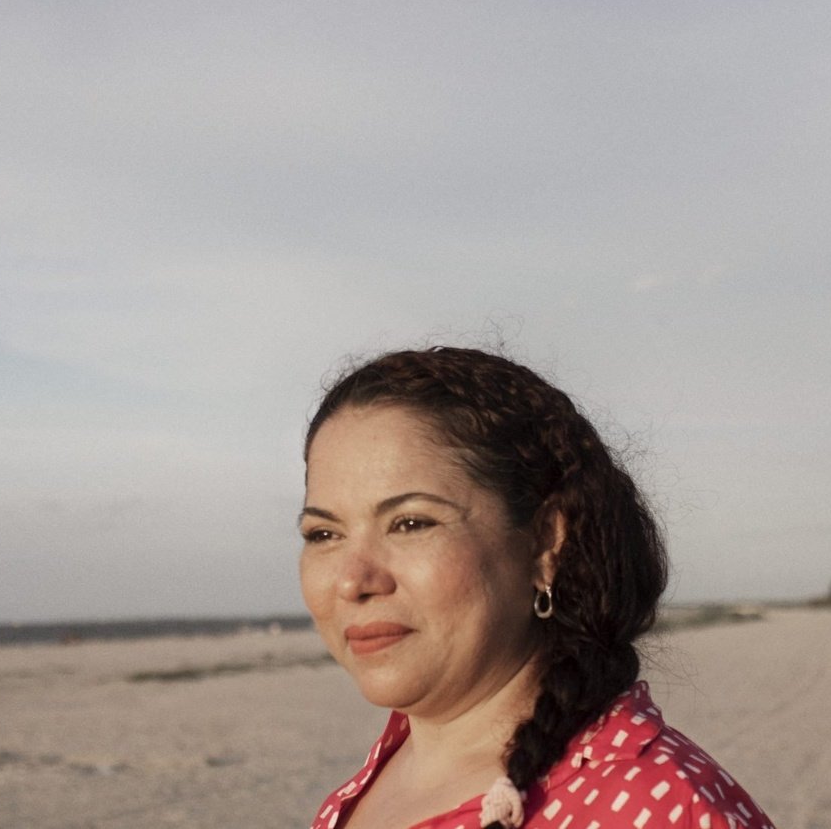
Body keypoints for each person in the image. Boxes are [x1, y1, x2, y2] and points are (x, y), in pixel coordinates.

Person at [299, 347, 774, 829]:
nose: (351, 581)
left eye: (411, 523)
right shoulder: (377, 779)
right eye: (323, 534)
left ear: (545, 542)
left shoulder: (659, 810)